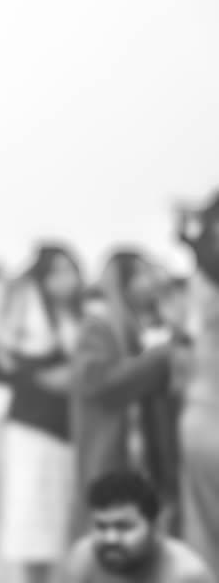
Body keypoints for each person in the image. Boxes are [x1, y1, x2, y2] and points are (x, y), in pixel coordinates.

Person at [0, 244, 84, 583]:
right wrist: (43, 377)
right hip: (32, 431)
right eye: (57, 271)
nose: (66, 279)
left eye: (70, 269)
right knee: (32, 527)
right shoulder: (27, 313)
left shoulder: (78, 315)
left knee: (64, 527)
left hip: (69, 432)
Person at [70, 249, 176, 537]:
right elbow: (98, 382)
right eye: (141, 274)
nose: (149, 282)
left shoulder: (146, 325)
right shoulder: (99, 327)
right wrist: (157, 358)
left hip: (143, 460)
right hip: (109, 453)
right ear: (122, 282)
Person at [61, 470, 215, 583]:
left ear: (156, 527)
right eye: (101, 526)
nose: (111, 538)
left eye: (124, 527)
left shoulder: (186, 575)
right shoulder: (82, 558)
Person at [177, 191, 219, 574]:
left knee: (205, 530)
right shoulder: (206, 280)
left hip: (203, 413)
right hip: (207, 415)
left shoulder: (200, 280)